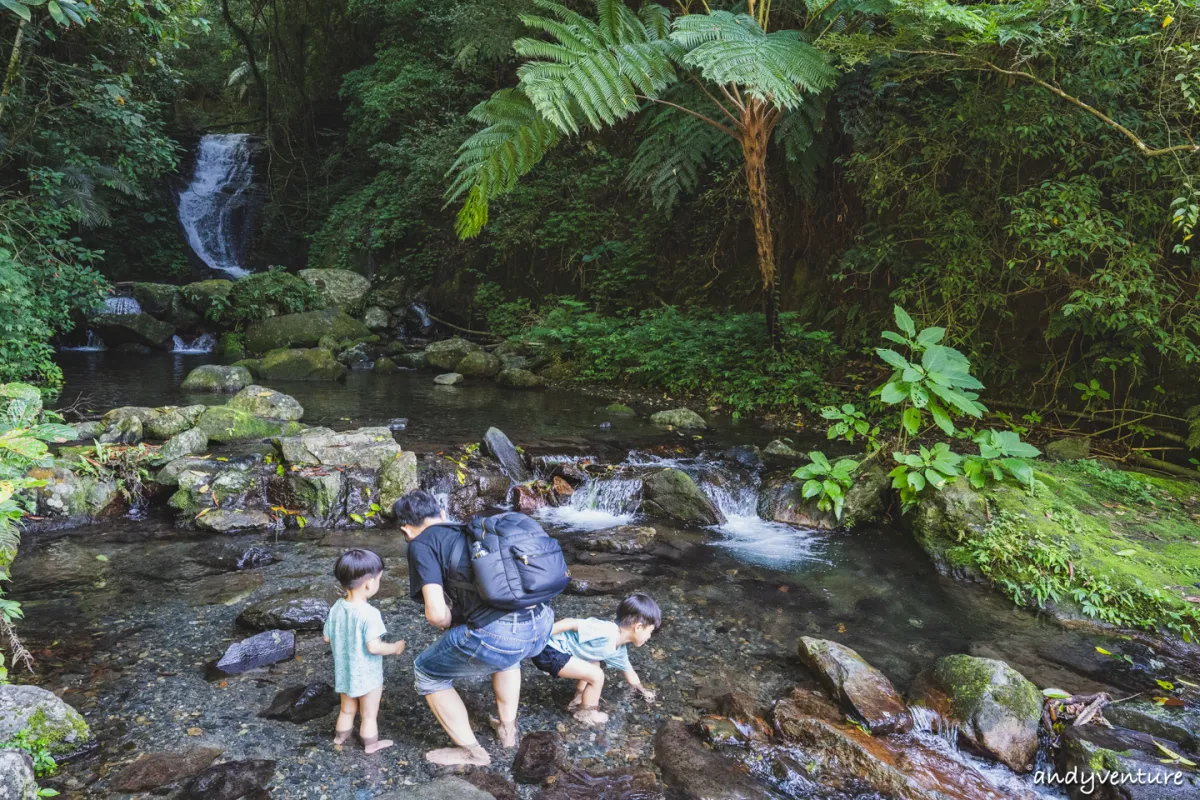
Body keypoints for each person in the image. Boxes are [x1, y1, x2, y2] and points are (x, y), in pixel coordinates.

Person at [395, 490, 554, 767]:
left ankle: (472, 752)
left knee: (427, 671)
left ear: (406, 529)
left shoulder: (421, 544)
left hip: (501, 636)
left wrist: (451, 619)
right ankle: (507, 731)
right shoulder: (473, 532)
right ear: (442, 514)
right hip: (542, 623)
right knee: (508, 658)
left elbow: (435, 615)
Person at [323, 548, 407, 754]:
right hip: (368, 676)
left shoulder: (336, 607)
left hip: (344, 672)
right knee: (369, 715)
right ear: (369, 584)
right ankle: (371, 745)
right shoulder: (369, 613)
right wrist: (395, 648)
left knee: (346, 709)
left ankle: (340, 738)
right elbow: (374, 647)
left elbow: (327, 637)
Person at [531, 593, 659, 725]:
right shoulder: (606, 630)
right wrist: (540, 637)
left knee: (595, 663)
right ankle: (586, 713)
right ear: (638, 627)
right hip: (549, 650)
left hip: (557, 654)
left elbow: (630, 673)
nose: (649, 636)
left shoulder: (619, 650)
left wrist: (643, 691)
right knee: (597, 675)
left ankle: (579, 697)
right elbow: (570, 623)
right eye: (650, 631)